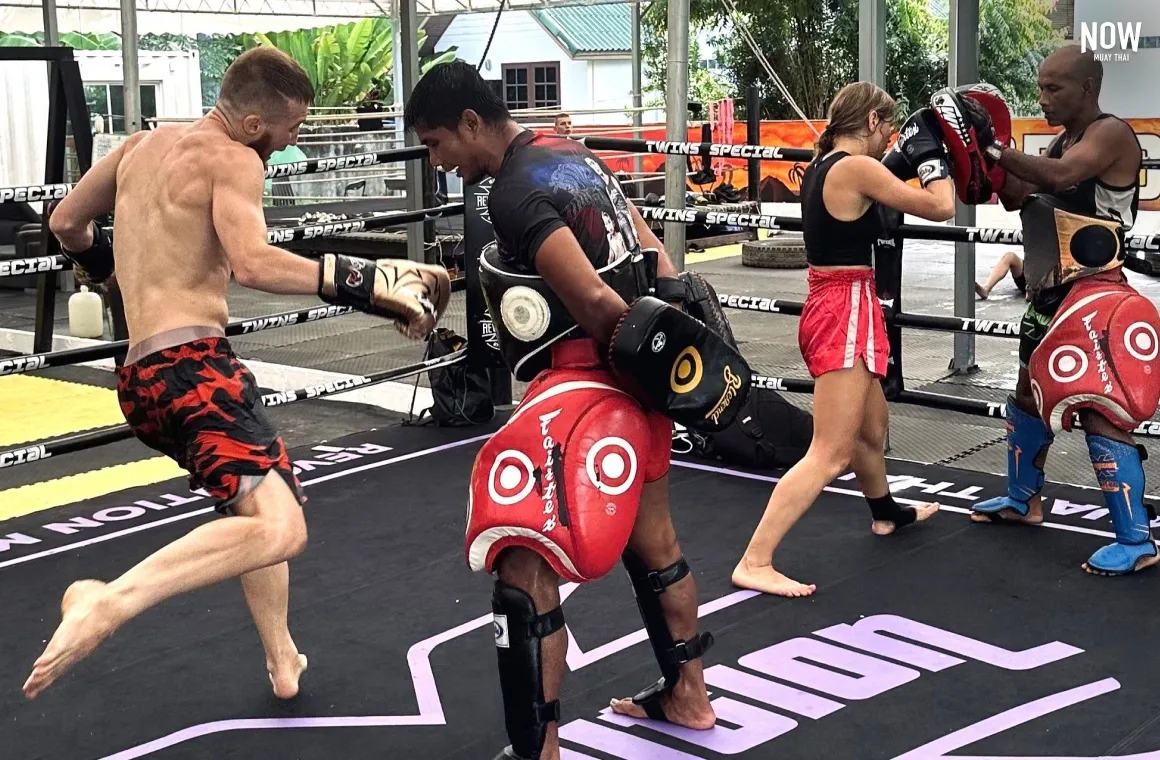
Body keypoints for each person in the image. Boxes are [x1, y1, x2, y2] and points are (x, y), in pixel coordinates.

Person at [24, 46, 450, 701]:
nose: (289, 145)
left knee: (257, 504)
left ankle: (283, 660)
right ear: (254, 126)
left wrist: (109, 271)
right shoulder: (233, 159)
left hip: (140, 381)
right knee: (283, 529)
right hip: (195, 370)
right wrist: (364, 282)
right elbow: (252, 263)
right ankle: (107, 600)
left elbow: (65, 222)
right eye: (289, 131)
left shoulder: (139, 146)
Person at [405, 60, 751, 760]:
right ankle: (689, 694)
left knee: (522, 566)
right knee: (655, 546)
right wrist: (673, 371)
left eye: (439, 143)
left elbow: (594, 303)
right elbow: (655, 257)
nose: (440, 162)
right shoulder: (572, 153)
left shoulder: (513, 192)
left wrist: (644, 359)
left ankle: (541, 751)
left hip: (589, 383)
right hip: (640, 394)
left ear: (472, 123)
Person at [732, 82, 954, 598]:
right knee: (830, 452)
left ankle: (885, 513)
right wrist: (930, 155)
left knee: (872, 426)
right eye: (889, 129)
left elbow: (885, 179)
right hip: (845, 308)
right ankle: (755, 559)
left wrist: (909, 153)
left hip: (839, 302)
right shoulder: (854, 167)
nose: (890, 140)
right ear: (873, 121)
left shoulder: (829, 164)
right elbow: (940, 205)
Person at [968, 46, 1160, 575]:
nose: (1043, 98)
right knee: (1027, 398)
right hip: (1049, 296)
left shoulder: (1110, 134)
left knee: (1102, 406)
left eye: (1054, 88)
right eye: (1041, 87)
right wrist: (977, 162)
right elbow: (1020, 195)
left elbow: (1060, 177)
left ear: (1087, 89)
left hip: (1094, 294)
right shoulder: (1062, 139)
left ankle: (1136, 539)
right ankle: (1023, 501)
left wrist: (993, 147)